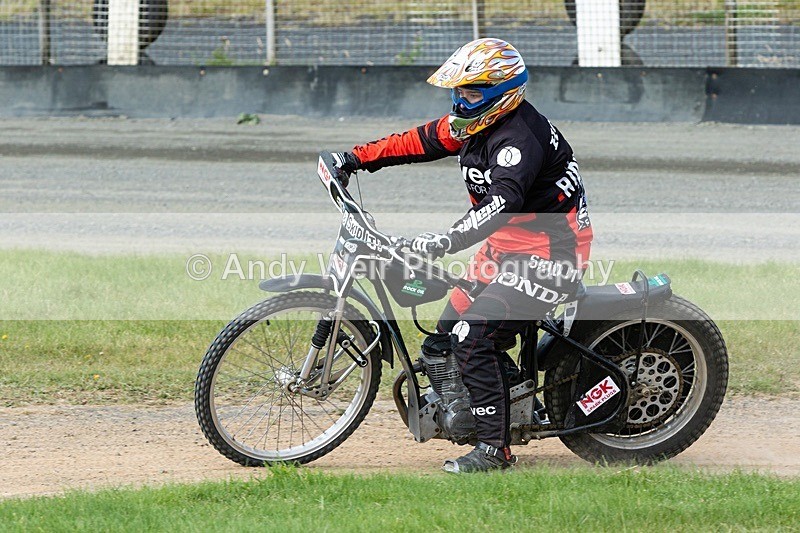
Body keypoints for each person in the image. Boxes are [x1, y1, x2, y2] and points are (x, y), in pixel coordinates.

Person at [330, 38, 593, 473]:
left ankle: (494, 449)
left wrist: (444, 240)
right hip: (505, 248)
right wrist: (352, 159)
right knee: (440, 344)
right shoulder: (475, 124)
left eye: (470, 93)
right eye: (458, 91)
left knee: (472, 335)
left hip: (549, 255)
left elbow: (500, 204)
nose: (459, 101)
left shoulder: (517, 139)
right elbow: (418, 141)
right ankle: (504, 401)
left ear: (499, 93)